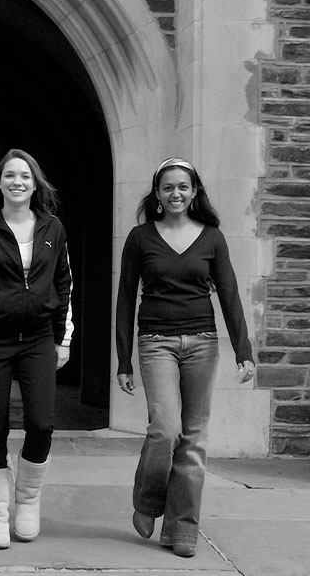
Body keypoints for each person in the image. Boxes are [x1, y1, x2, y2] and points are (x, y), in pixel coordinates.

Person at [116, 157, 256, 559]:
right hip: (156, 340)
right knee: (165, 428)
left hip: (203, 342)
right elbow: (125, 301)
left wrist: (243, 352)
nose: (175, 193)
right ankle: (147, 500)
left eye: (183, 187)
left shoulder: (212, 238)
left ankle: (182, 530)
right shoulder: (141, 238)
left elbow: (228, 294)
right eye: (167, 187)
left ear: (194, 192)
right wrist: (123, 360)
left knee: (193, 440)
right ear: (157, 194)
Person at [0, 148, 73, 549]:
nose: (17, 182)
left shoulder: (53, 228)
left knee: (41, 424)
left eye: (25, 176)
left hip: (38, 338)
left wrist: (63, 337)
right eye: (10, 176)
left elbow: (64, 285)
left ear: (35, 183)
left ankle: (28, 501)